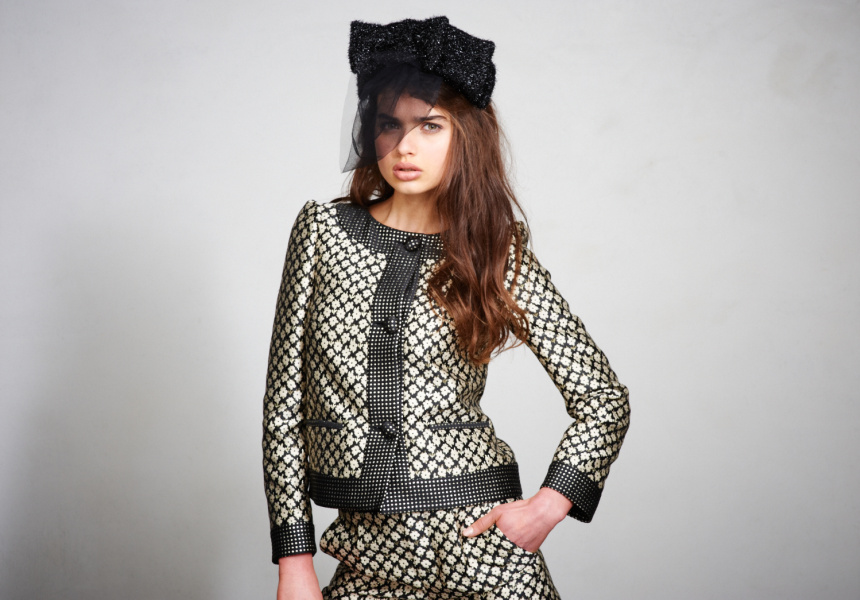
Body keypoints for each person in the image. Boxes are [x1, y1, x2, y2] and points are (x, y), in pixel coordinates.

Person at [262, 16, 630, 600]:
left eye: (429, 126)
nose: (404, 146)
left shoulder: (494, 249)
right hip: (367, 550)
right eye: (389, 124)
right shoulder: (323, 231)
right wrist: (294, 560)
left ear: (465, 137)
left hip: (481, 542)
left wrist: (549, 503)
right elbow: (283, 410)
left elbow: (603, 400)